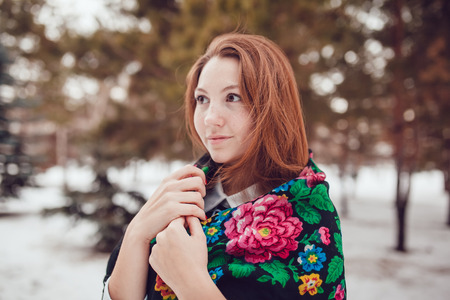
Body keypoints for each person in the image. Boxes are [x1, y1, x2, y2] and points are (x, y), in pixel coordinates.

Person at [102, 32, 346, 300]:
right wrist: (138, 231)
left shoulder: (310, 218)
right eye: (202, 99)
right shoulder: (187, 190)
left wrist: (190, 282)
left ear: (273, 106)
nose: (210, 118)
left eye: (233, 97)